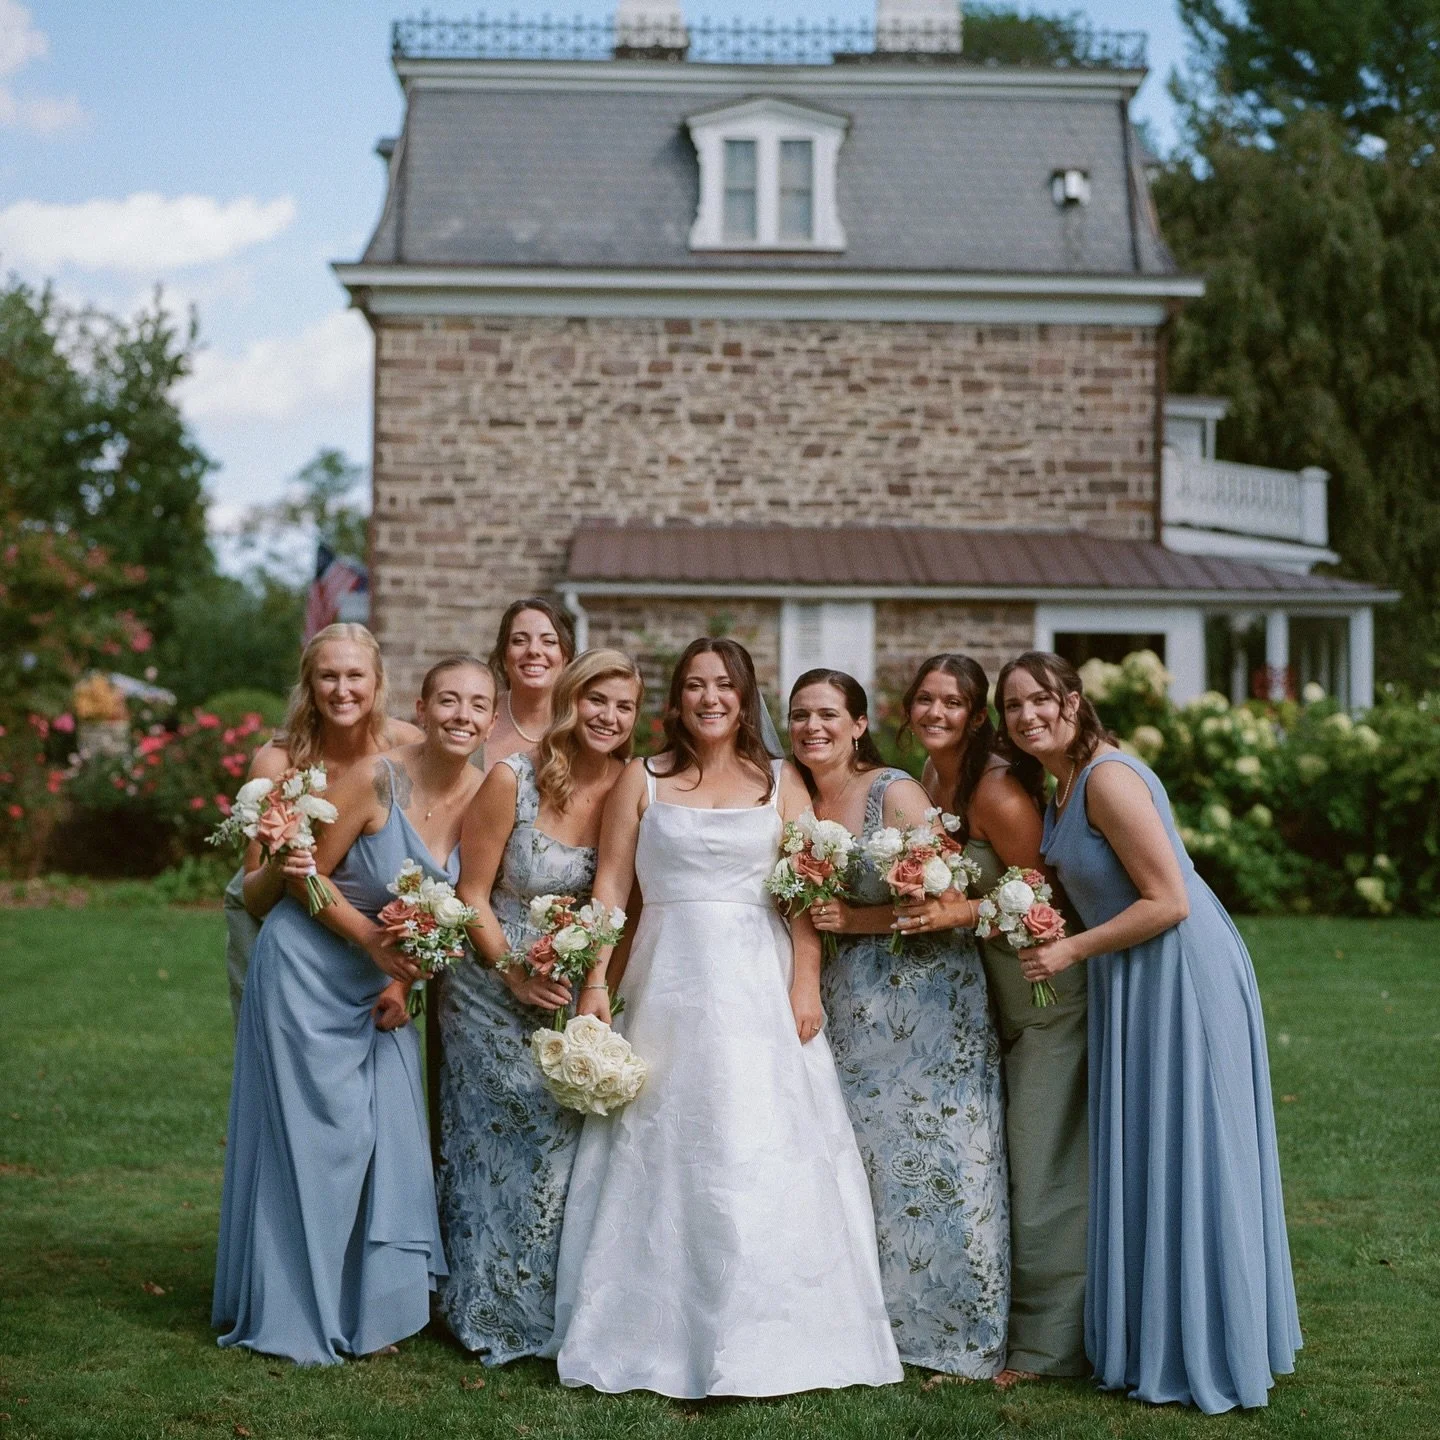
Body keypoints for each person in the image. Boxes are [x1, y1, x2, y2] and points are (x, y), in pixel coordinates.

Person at [548, 639, 903, 1397]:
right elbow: (611, 886)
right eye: (694, 686)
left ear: (745, 699)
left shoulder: (783, 782)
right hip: (667, 978)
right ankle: (649, 1328)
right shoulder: (640, 780)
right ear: (674, 701)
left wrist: (805, 982)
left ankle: (773, 1335)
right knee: (666, 1141)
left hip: (759, 978)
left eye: (724, 686)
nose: (710, 698)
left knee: (760, 1141)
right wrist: (594, 985)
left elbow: (803, 893)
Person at [997, 650, 1301, 1413]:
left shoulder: (1107, 777)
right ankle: (1157, 1336)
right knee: (1157, 1153)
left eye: (1042, 700)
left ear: (1072, 700)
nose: (1028, 715)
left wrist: (1068, 948)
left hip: (1178, 972)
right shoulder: (1062, 782)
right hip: (1132, 975)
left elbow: (1169, 899)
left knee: (1194, 1153)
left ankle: (1212, 1348)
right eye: (1013, 707)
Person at [212, 656, 495, 1365]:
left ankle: (376, 1313)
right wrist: (372, 941)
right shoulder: (377, 777)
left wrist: (401, 981)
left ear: (493, 719)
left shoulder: (491, 791)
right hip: (307, 970)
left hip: (385, 983)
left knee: (385, 1140)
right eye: (449, 701)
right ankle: (298, 1306)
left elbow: (451, 910)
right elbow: (308, 887)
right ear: (421, 708)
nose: (462, 715)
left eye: (478, 705)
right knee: (317, 1145)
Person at [795, 668, 1009, 1379]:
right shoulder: (794, 794)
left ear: (859, 725)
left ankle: (958, 1335)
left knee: (945, 1157)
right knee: (872, 1165)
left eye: (828, 714)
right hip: (849, 1002)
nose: (813, 728)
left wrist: (858, 920)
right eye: (800, 715)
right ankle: (877, 1326)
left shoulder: (895, 790)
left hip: (926, 999)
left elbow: (946, 895)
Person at [438, 650, 642, 1363]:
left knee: (560, 1155)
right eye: (596, 701)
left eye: (623, 706)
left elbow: (624, 901)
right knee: (490, 1147)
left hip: (569, 997)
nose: (608, 718)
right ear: (570, 701)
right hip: (490, 987)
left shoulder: (631, 787)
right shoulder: (512, 778)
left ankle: (546, 1311)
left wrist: (593, 985)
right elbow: (471, 893)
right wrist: (514, 973)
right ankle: (481, 1310)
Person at [892, 654, 1088, 1385]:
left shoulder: (998, 786)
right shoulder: (932, 776)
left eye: (953, 703)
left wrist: (961, 908)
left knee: (1045, 1175)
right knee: (1008, 1170)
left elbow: (1044, 887)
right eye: (925, 699)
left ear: (975, 717)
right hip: (993, 1002)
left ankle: (1047, 1352)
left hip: (1046, 1002)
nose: (936, 712)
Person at [222, 623, 420, 1027]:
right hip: (280, 929)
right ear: (309, 685)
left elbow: (430, 862)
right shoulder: (279, 762)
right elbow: (255, 899)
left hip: (374, 931)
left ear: (378, 682)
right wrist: (280, 865)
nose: (341, 690)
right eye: (328, 676)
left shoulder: (408, 750)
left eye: (355, 676)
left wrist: (401, 981)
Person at [482, 597, 575, 773]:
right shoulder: (477, 716)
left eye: (549, 641)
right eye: (519, 640)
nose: (533, 650)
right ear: (503, 655)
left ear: (566, 657)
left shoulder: (581, 726)